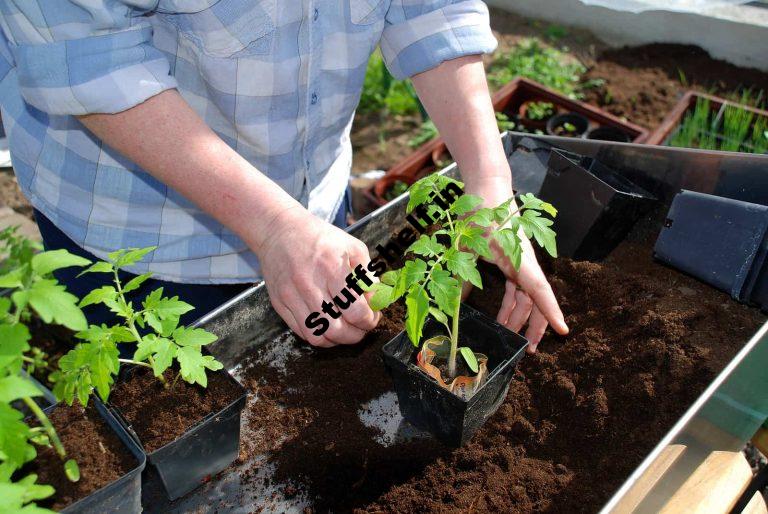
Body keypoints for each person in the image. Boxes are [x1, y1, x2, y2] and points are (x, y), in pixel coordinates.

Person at [0, 1, 568, 352]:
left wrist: (488, 187)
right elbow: (92, 56)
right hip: (138, 234)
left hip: (312, 204)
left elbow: (430, 7)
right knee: (168, 445)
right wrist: (272, 228)